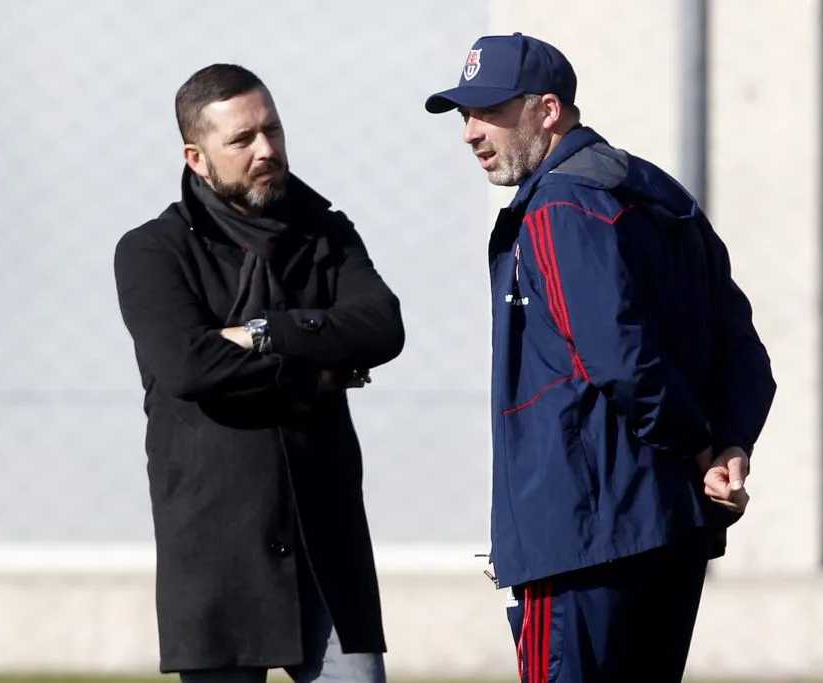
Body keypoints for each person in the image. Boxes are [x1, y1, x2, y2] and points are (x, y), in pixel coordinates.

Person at [425, 33, 776, 682]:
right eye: (465, 115)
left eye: (490, 111)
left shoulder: (559, 204)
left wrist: (703, 446)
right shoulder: (658, 194)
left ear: (548, 110)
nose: (471, 132)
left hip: (581, 532)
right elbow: (744, 351)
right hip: (670, 525)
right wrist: (730, 445)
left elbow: (617, 356)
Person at [113, 63, 404, 683]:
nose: (266, 149)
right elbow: (190, 366)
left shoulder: (326, 233)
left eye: (272, 130)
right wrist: (315, 373)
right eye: (242, 139)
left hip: (327, 548)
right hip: (216, 553)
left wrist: (264, 332)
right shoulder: (151, 251)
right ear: (196, 158)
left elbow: (381, 327)